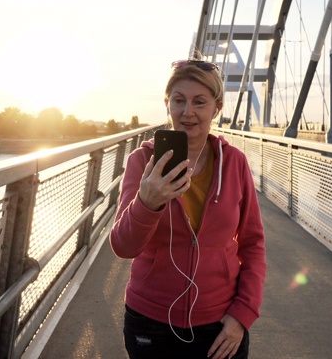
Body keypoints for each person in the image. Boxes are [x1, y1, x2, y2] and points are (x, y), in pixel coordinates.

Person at [110, 59, 266, 359]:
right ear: (167, 104)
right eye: (179, 100)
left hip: (220, 324)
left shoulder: (234, 163)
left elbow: (253, 244)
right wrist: (147, 203)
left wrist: (243, 314)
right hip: (150, 322)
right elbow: (122, 246)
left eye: (199, 102)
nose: (188, 112)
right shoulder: (142, 163)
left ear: (216, 108)